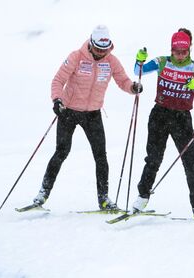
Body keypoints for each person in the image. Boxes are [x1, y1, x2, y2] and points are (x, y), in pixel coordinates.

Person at [32, 25, 143, 210]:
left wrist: (133, 87)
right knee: (62, 152)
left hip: (93, 114)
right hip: (68, 111)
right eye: (98, 49)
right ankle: (42, 193)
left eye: (104, 49)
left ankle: (104, 199)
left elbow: (123, 81)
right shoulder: (76, 56)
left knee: (101, 156)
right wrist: (57, 100)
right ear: (91, 44)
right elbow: (58, 80)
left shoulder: (112, 61)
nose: (101, 53)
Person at [131, 29, 194, 220]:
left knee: (191, 162)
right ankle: (142, 197)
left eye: (183, 52)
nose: (179, 56)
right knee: (153, 158)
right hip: (159, 115)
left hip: (182, 118)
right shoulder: (162, 62)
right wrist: (140, 60)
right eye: (176, 52)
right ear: (171, 49)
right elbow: (138, 72)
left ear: (189, 50)